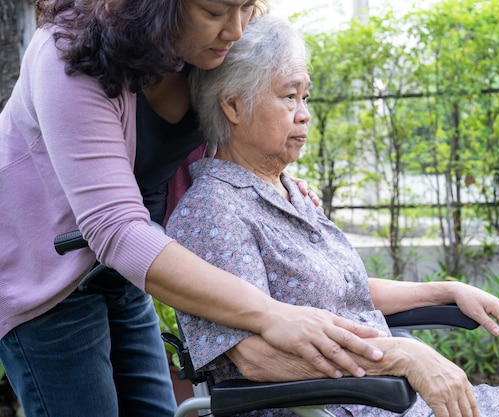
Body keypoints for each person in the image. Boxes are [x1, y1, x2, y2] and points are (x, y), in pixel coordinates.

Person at [166, 14, 499, 417]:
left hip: (389, 399)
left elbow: (341, 290)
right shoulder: (214, 214)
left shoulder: (286, 191)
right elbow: (253, 359)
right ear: (233, 106)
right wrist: (400, 356)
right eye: (288, 97)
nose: (305, 116)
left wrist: (444, 290)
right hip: (347, 406)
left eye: (307, 96)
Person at [0, 1, 388, 416]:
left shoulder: (200, 51)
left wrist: (276, 186)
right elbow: (115, 228)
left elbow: (233, 146)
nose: (236, 30)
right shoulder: (70, 56)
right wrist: (270, 314)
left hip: (124, 271)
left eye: (244, 7)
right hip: (42, 275)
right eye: (215, 11)